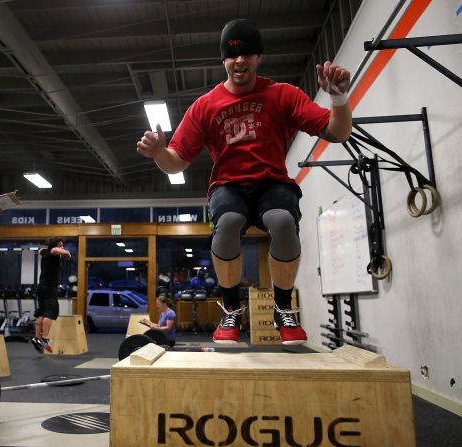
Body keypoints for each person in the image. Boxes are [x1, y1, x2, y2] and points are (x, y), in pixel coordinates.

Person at [136, 19, 352, 346]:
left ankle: (282, 308)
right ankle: (232, 310)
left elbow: (337, 133)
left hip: (272, 183)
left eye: (248, 54)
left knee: (281, 223)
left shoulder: (282, 95)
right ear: (223, 60)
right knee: (228, 223)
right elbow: (175, 163)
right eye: (232, 55)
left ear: (259, 58)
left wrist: (338, 99)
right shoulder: (205, 106)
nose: (240, 61)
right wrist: (157, 153)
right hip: (229, 186)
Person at [30, 238, 72, 354]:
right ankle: (44, 339)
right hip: (49, 288)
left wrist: (46, 249)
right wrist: (66, 254)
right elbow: (65, 253)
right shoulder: (53, 251)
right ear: (55, 246)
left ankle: (37, 337)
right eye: (61, 245)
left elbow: (40, 250)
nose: (62, 248)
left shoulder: (45, 253)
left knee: (41, 313)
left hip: (41, 288)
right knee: (50, 312)